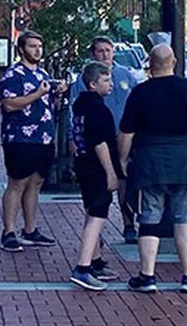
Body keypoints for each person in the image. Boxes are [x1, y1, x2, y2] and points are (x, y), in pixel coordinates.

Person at [116, 44, 187, 294]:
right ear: (174, 61)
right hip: (185, 160)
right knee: (184, 219)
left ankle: (147, 276)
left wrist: (122, 160)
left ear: (149, 63)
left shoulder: (140, 93)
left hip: (150, 160)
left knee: (149, 218)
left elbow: (126, 132)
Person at [0, 30, 63, 252]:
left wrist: (56, 94)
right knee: (17, 183)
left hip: (43, 138)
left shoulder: (43, 74)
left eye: (39, 46)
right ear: (22, 49)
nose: (37, 50)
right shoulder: (13, 75)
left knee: (35, 183)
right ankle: (9, 232)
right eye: (33, 46)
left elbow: (46, 106)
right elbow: (9, 104)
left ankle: (30, 229)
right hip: (20, 138)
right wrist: (37, 94)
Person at [69, 36, 138, 237]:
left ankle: (128, 223)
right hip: (97, 140)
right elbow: (74, 113)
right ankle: (93, 231)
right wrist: (72, 139)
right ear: (93, 53)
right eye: (100, 50)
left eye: (108, 50)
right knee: (97, 190)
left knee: (124, 181)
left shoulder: (125, 74)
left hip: (124, 136)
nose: (105, 54)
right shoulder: (85, 80)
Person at [67, 61, 121, 290]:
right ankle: (83, 266)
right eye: (106, 80)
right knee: (97, 214)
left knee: (91, 212)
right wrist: (111, 173)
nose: (111, 84)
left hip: (83, 164)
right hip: (95, 167)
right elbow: (100, 143)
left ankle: (95, 262)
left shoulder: (80, 106)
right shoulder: (97, 110)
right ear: (92, 84)